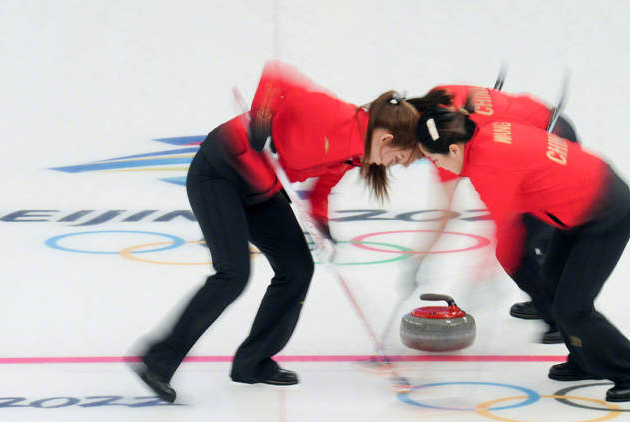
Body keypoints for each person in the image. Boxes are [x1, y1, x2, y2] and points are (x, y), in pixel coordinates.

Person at [133, 61, 421, 403]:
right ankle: (157, 361)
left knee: (297, 268)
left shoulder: (356, 155)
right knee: (233, 275)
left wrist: (322, 226)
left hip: (261, 190)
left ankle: (252, 362)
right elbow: (276, 75)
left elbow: (323, 187)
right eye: (397, 158)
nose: (388, 165)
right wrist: (262, 120)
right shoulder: (332, 114)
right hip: (219, 174)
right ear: (386, 139)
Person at [411, 102, 630, 402]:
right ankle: (586, 359)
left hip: (605, 213)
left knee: (573, 308)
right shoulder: (487, 133)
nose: (437, 166)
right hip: (574, 211)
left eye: (433, 159)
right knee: (552, 288)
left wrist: (481, 280)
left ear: (453, 150)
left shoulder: (487, 165)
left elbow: (506, 228)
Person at [401, 84, 580, 344]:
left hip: (551, 141)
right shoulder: (440, 102)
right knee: (535, 235)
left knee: (519, 247)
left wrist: (479, 273)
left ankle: (560, 317)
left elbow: (449, 213)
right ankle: (548, 297)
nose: (405, 162)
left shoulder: (445, 142)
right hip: (542, 130)